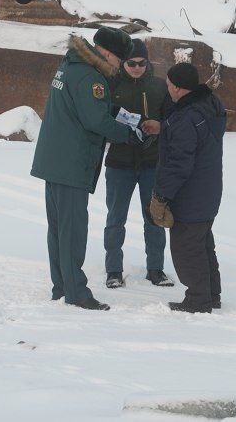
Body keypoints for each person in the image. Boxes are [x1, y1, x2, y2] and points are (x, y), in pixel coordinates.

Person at [31, 27, 140, 311]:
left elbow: (85, 108)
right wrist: (128, 134)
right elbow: (95, 120)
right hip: (71, 161)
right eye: (119, 61)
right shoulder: (92, 77)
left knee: (58, 229)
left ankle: (62, 287)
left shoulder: (70, 65)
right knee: (73, 231)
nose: (119, 67)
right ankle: (77, 293)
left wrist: (117, 116)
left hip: (54, 160)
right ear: (107, 53)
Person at [146, 62, 227, 314]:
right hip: (208, 191)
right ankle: (211, 294)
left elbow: (179, 163)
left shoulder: (187, 117)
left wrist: (161, 195)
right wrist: (165, 128)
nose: (167, 87)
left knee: (186, 249)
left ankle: (198, 300)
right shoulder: (208, 105)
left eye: (170, 83)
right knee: (202, 245)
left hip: (191, 195)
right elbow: (191, 137)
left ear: (180, 89)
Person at [103, 39, 174, 289]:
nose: (135, 67)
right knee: (115, 218)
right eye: (130, 63)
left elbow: (172, 120)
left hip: (151, 163)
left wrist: (158, 129)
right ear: (123, 63)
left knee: (154, 217)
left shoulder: (159, 87)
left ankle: (156, 269)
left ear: (147, 63)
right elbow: (101, 120)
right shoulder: (111, 85)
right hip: (118, 163)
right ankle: (113, 269)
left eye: (141, 63)